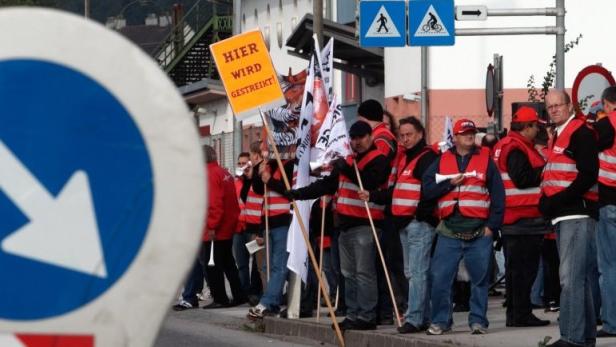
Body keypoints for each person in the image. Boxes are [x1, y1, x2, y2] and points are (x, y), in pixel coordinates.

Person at [287, 121, 390, 330]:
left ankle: (367, 315)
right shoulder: (348, 160)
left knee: (364, 273)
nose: (356, 142)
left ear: (370, 137)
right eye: (353, 138)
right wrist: (299, 193)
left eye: (360, 137)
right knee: (348, 274)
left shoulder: (378, 159)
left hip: (365, 224)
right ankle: (353, 313)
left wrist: (349, 169)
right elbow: (326, 185)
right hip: (344, 225)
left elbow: (370, 182)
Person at [422, 119, 505, 335]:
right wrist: (449, 184)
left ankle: (478, 321)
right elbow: (427, 189)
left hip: (479, 231)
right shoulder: (442, 160)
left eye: (472, 132)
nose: (470, 136)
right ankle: (441, 321)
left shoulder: (486, 160)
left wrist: (491, 227)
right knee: (440, 278)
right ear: (455, 137)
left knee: (480, 281)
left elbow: (498, 196)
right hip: (449, 230)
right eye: (465, 133)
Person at [359, 116, 439, 333]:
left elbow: (431, 190)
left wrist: (420, 214)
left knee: (417, 273)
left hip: (417, 223)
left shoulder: (426, 158)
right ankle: (423, 316)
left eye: (409, 134)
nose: (405, 139)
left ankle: (414, 318)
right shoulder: (407, 158)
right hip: (406, 223)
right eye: (402, 135)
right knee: (413, 272)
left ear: (420, 134)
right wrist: (374, 195)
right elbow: (397, 191)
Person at [540, 89, 599, 347]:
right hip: (565, 214)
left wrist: (556, 201)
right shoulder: (559, 135)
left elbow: (588, 174)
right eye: (549, 106)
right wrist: (548, 201)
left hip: (575, 212)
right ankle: (584, 338)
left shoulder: (579, 133)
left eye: (558, 105)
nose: (553, 109)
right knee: (579, 278)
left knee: (570, 278)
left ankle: (572, 338)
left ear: (569, 106)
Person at [492, 106, 550, 327]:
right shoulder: (516, 148)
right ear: (526, 128)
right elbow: (522, 179)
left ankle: (516, 315)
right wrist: (547, 170)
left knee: (516, 270)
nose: (537, 131)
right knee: (524, 270)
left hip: (514, 218)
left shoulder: (505, 145)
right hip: (522, 218)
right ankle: (521, 315)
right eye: (536, 126)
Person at [357, 99, 399, 324]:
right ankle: (384, 311)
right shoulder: (384, 136)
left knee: (380, 264)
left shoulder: (382, 139)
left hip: (380, 203)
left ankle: (385, 312)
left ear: (363, 118)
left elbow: (377, 170)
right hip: (378, 203)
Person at [247, 144, 294, 319]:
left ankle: (268, 302)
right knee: (268, 266)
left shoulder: (288, 165)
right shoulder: (268, 166)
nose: (265, 153)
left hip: (282, 221)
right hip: (268, 223)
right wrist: (259, 174)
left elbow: (289, 191)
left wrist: (270, 180)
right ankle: (271, 301)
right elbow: (259, 190)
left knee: (278, 266)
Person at [201, 145, 245, 309]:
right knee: (228, 263)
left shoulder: (209, 174)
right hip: (228, 225)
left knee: (212, 265)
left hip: (216, 229)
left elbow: (214, 203)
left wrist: (211, 225)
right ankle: (239, 294)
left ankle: (220, 298)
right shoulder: (224, 173)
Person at [591, 86, 616, 338]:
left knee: (609, 266)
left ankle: (612, 323)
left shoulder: (607, 125)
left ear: (607, 104)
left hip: (610, 201)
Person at [234, 151, 263, 307]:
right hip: (240, 228)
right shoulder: (237, 182)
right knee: (242, 264)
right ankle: (245, 292)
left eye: (245, 163)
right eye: (240, 163)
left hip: (253, 227)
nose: (242, 166)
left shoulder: (253, 181)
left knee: (257, 265)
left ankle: (255, 292)